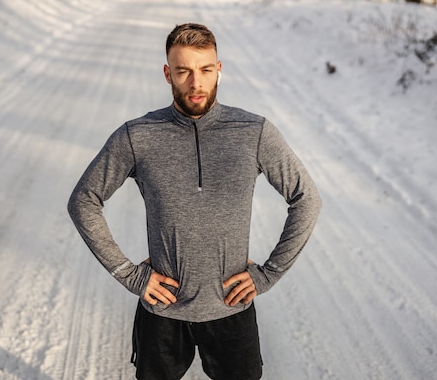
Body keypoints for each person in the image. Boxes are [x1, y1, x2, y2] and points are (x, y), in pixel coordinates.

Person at [68, 23, 321, 380]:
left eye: (204, 70)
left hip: (232, 310)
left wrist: (270, 273)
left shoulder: (253, 131)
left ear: (219, 70)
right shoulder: (137, 135)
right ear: (168, 73)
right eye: (184, 71)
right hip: (162, 314)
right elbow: (84, 200)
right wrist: (128, 274)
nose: (195, 82)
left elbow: (306, 198)